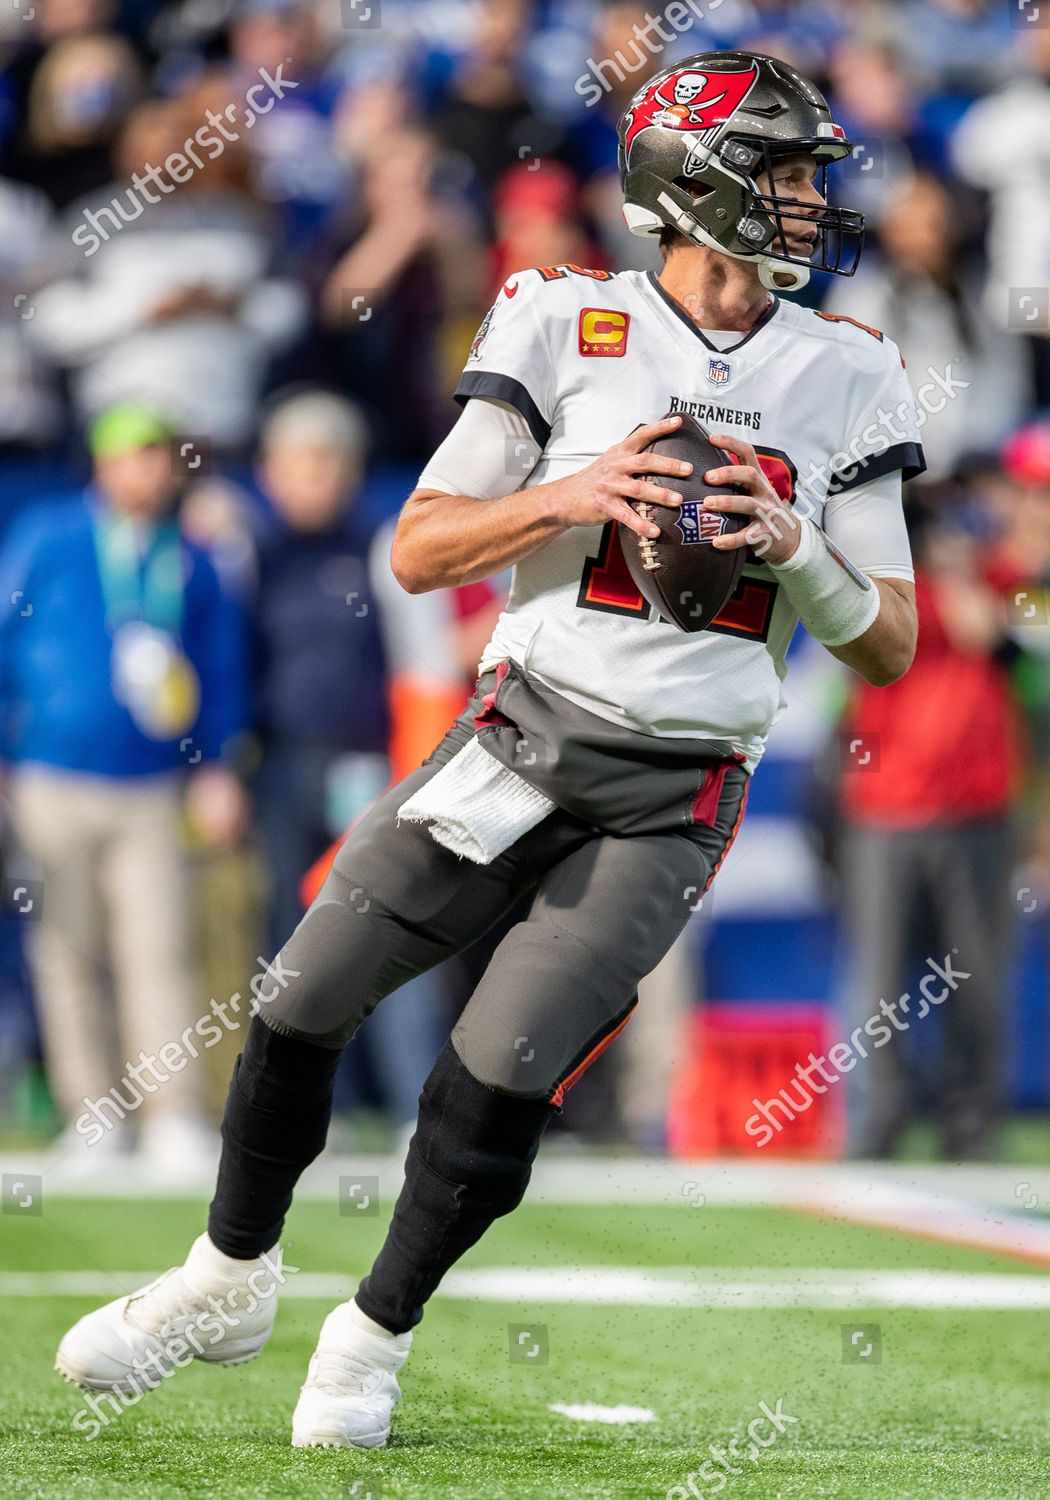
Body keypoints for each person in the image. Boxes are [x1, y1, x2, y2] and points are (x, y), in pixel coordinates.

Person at [55, 51, 923, 1448]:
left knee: (499, 1066)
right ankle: (228, 1275)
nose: (809, 199)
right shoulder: (561, 317)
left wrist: (799, 547)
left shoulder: (851, 368)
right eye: (783, 169)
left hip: (671, 792)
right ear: (688, 183)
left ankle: (370, 1335)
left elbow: (885, 639)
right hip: (514, 744)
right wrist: (572, 492)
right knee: (295, 1000)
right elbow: (415, 547)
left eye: (813, 171)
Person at [0, 404, 249, 1167]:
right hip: (49, 774)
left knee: (158, 946)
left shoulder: (194, 556)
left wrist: (219, 767)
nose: (147, 470)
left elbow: (221, 668)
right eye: (133, 455)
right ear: (104, 463)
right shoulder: (48, 536)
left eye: (158, 457)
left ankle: (170, 1113)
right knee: (66, 950)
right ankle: (93, 1112)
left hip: (151, 780)